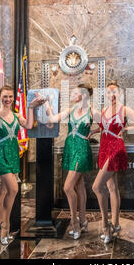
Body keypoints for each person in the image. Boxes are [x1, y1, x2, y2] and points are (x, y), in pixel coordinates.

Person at [0, 85, 45, 245]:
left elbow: (29, 126)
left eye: (10, 97)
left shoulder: (17, 116)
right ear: (0, 97)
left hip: (13, 154)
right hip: (0, 155)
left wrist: (31, 107)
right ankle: (5, 227)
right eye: (5, 96)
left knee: (3, 192)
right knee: (14, 189)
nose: (8, 99)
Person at [91, 81, 134, 244]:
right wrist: (95, 131)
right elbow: (104, 128)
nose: (112, 95)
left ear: (120, 93)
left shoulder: (125, 110)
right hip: (104, 147)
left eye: (115, 92)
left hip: (116, 148)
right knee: (111, 187)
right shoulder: (103, 110)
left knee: (96, 186)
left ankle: (105, 225)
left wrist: (126, 129)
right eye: (108, 93)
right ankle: (116, 224)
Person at [44, 84, 98, 240]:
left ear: (83, 95)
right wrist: (47, 102)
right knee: (79, 185)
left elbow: (107, 124)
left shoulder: (92, 112)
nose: (72, 95)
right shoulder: (71, 110)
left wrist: (93, 131)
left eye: (75, 93)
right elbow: (53, 118)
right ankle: (84, 221)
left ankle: (74, 223)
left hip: (81, 149)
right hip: (69, 148)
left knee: (67, 187)